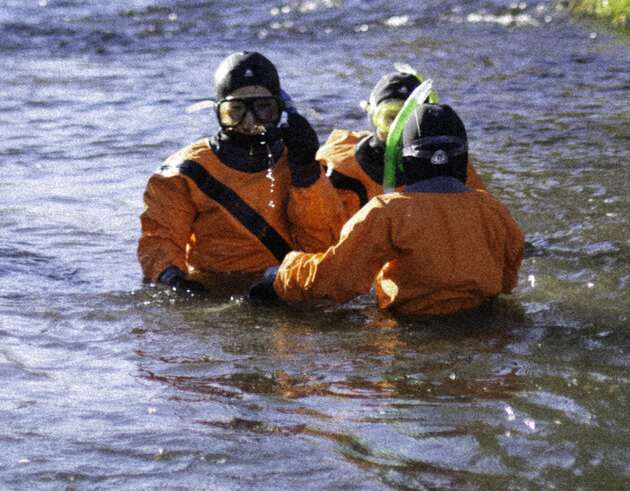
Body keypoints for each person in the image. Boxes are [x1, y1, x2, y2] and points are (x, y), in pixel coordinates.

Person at [262, 98, 524, 318]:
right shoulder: (494, 209)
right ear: (463, 159)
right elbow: (509, 278)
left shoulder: (387, 212)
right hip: (485, 324)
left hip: (412, 330)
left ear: (404, 161)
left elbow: (338, 279)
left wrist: (282, 275)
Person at [140, 51, 339, 295]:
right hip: (218, 289)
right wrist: (177, 283)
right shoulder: (185, 173)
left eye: (263, 108)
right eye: (235, 110)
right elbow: (160, 241)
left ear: (281, 110)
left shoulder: (296, 161)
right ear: (218, 111)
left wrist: (306, 170)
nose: (248, 122)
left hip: (283, 287)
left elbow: (323, 248)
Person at [319, 69, 486, 223]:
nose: (399, 132)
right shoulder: (339, 171)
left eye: (411, 121)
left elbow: (479, 220)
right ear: (373, 117)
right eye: (391, 118)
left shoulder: (449, 163)